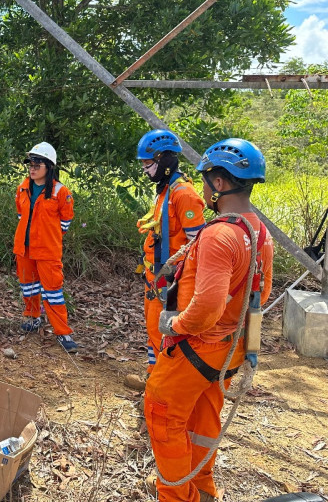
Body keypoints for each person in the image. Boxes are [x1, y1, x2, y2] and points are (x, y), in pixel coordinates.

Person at [144, 138, 273, 502]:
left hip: (198, 346)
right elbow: (259, 297)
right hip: (226, 350)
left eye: (206, 180)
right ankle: (203, 488)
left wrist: (175, 324)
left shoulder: (220, 235)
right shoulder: (259, 232)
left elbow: (205, 309)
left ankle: (178, 496)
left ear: (218, 183)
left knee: (160, 410)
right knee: (202, 421)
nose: (203, 187)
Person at [134, 129, 205, 383]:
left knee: (164, 330)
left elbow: (197, 244)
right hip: (155, 275)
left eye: (147, 163)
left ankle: (163, 382)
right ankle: (153, 376)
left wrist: (178, 282)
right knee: (153, 329)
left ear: (163, 159)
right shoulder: (164, 191)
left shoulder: (183, 194)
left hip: (170, 278)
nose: (145, 169)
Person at [13, 142, 77, 351]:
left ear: (49, 166)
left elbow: (65, 223)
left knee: (53, 292)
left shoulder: (60, 192)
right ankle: (32, 318)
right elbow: (21, 216)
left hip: (48, 251)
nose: (32, 168)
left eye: (37, 164)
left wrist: (48, 237)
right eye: (30, 164)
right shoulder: (23, 187)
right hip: (24, 248)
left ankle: (62, 332)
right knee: (28, 286)